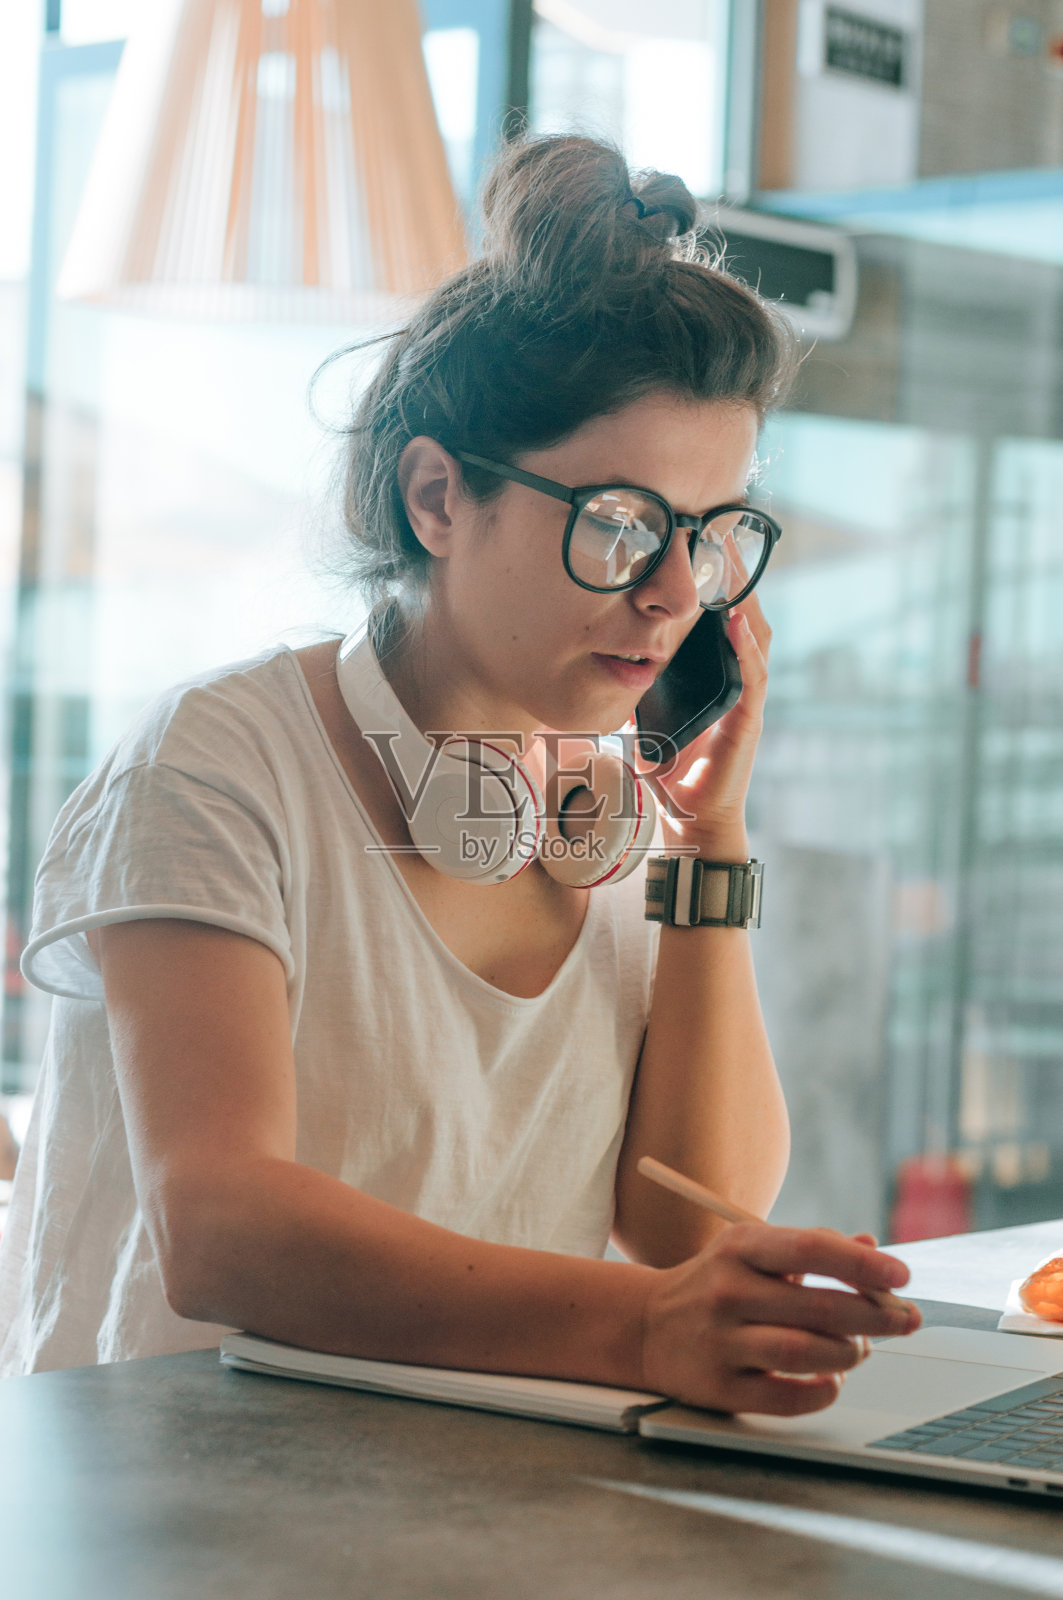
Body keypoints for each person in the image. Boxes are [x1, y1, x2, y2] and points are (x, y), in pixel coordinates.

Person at [0, 135, 918, 1402]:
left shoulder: (613, 814)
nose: (673, 595)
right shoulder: (214, 764)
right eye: (621, 523)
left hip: (487, 1489)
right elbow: (220, 1226)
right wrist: (642, 1330)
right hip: (187, 1490)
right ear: (437, 497)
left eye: (709, 536)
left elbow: (688, 1224)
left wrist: (711, 846)